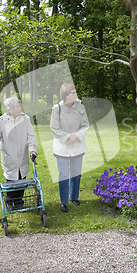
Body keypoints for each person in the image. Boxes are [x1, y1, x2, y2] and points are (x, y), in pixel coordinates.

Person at [0, 97, 38, 210]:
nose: (19, 108)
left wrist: (32, 149)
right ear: (10, 109)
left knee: (22, 179)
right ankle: (9, 201)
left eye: (20, 106)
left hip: (22, 156)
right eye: (16, 107)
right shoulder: (2, 121)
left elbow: (31, 137)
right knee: (11, 181)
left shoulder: (25, 119)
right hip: (9, 156)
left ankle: (19, 201)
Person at [50, 83, 89, 212]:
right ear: (66, 95)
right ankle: (63, 202)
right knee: (64, 175)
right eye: (73, 92)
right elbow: (54, 128)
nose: (75, 94)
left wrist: (76, 136)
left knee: (76, 174)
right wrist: (68, 137)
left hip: (77, 145)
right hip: (62, 147)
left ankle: (74, 197)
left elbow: (85, 125)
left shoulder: (80, 107)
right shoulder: (57, 109)